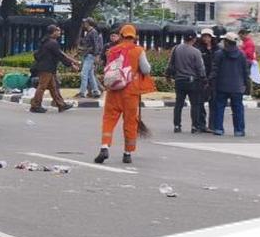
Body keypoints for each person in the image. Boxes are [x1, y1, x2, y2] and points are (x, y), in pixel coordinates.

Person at [94, 25, 154, 165]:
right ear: (134, 37)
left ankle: (104, 146)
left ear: (121, 35)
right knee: (130, 122)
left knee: (109, 119)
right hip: (131, 92)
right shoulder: (138, 50)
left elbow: (108, 69)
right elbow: (146, 69)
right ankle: (127, 153)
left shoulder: (112, 50)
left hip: (114, 91)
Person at [29, 24, 79, 113]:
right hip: (46, 68)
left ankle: (61, 105)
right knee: (42, 87)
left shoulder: (47, 41)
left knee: (53, 87)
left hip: (47, 68)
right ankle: (35, 105)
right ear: (53, 32)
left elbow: (61, 54)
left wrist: (73, 61)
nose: (59, 32)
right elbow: (61, 56)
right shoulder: (52, 43)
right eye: (57, 31)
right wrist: (71, 65)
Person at [209, 32, 250, 137]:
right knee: (238, 109)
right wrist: (247, 86)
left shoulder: (219, 54)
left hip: (221, 86)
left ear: (226, 42)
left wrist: (210, 83)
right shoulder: (242, 55)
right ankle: (239, 130)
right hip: (237, 87)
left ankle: (218, 128)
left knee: (219, 108)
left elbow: (214, 71)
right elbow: (246, 72)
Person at [166, 31, 207, 134]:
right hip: (193, 81)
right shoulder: (196, 52)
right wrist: (204, 79)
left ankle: (177, 125)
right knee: (195, 104)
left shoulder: (176, 49)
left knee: (179, 104)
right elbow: (200, 68)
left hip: (179, 80)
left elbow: (170, 63)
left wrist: (168, 76)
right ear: (193, 39)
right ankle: (194, 126)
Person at [78, 18, 104, 99]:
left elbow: (96, 45)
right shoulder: (90, 32)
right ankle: (96, 91)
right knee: (90, 74)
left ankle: (82, 92)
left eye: (85, 22)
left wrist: (96, 55)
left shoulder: (93, 32)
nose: (84, 24)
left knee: (84, 73)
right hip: (89, 54)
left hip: (90, 55)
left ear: (89, 23)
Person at [197, 28, 217, 129]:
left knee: (213, 103)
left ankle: (212, 125)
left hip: (214, 80)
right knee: (200, 102)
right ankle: (201, 124)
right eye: (204, 36)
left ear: (211, 37)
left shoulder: (217, 49)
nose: (206, 38)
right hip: (202, 79)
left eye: (208, 36)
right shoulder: (199, 49)